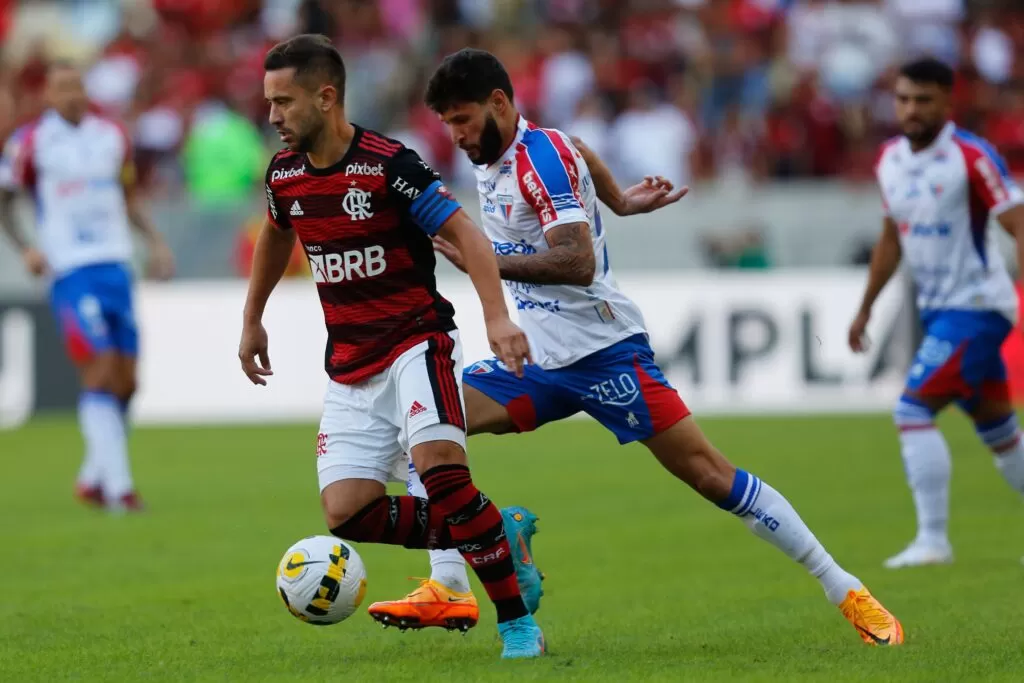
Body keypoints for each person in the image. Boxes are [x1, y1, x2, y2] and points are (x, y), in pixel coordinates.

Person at [369, 48, 904, 647]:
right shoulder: (512, 150)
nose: (457, 134)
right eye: (447, 123)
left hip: (605, 353)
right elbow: (580, 151)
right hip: (538, 360)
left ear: (499, 102)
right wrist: (619, 201)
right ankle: (453, 585)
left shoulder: (538, 159)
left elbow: (576, 261)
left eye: (462, 118)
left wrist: (487, 261)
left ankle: (847, 589)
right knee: (428, 433)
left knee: (709, 475)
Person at [238, 35, 544, 659]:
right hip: (350, 364)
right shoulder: (285, 175)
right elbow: (276, 235)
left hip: (416, 343)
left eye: (284, 102)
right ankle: (494, 530)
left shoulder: (388, 165)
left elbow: (468, 237)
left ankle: (516, 624)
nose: (273, 116)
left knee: (445, 478)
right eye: (268, 102)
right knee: (347, 514)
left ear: (326, 98)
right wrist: (252, 319)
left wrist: (496, 319)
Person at [849, 57, 1024, 569]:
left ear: (949, 102)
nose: (911, 109)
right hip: (938, 310)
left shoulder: (972, 157)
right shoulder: (889, 159)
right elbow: (890, 239)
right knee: (1001, 434)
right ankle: (933, 540)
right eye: (903, 99)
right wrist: (865, 308)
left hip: (977, 307)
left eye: (923, 100)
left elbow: (1017, 223)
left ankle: (932, 540)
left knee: (912, 409)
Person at [0, 62, 175, 512]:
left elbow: (128, 197)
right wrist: (26, 248)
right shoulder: (31, 143)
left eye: (77, 87)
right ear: (48, 97)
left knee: (129, 382)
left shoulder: (111, 137)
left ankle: (93, 476)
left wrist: (155, 243)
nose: (73, 95)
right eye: (63, 89)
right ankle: (120, 489)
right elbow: (5, 200)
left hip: (116, 266)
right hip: (71, 272)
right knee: (98, 370)